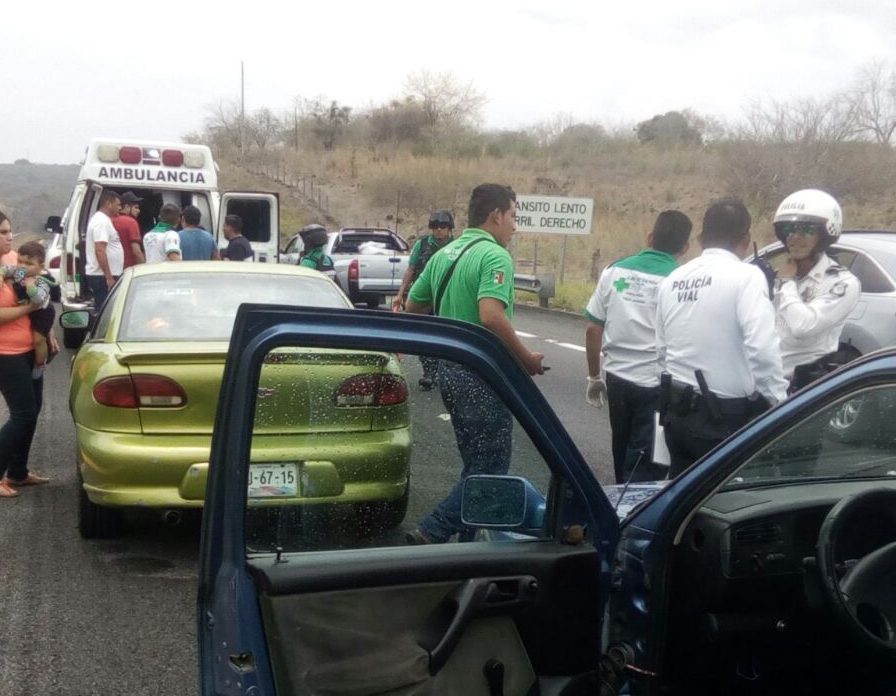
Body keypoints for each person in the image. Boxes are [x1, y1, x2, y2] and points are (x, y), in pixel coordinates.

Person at [403, 183, 545, 544]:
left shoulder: (445, 253)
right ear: (495, 215)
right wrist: (526, 359)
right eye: (514, 216)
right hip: (482, 375)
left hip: (450, 372)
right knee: (491, 469)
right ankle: (433, 529)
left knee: (475, 463)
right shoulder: (495, 256)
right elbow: (491, 316)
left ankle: (466, 546)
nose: (515, 225)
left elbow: (413, 307)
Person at [656, 197, 788, 477]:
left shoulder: (673, 280)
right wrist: (777, 401)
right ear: (746, 238)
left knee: (682, 497)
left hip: (676, 414)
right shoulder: (746, 276)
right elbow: (762, 348)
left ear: (703, 237)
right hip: (721, 418)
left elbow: (662, 351)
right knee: (726, 503)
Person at [584, 210, 692, 484]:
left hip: (617, 380)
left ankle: (619, 515)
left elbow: (593, 326)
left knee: (620, 456)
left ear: (650, 237)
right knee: (649, 467)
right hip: (657, 388)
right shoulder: (682, 281)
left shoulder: (615, 270)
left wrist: (594, 376)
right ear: (685, 247)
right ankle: (637, 519)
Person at [771, 189, 861, 392]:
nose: (795, 237)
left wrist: (786, 283)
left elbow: (803, 327)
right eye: (789, 230)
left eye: (807, 230)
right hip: (765, 383)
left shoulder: (842, 283)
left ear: (825, 233)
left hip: (804, 389)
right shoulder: (777, 277)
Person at [0, 211, 51, 497]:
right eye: (4, 232)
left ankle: (17, 472)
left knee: (32, 412)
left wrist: (47, 331)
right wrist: (29, 309)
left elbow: (33, 284)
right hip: (5, 354)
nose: (10, 237)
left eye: (10, 231)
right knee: (22, 414)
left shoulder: (10, 262)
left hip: (29, 349)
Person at [392, 209, 456, 390]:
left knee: (446, 335)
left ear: (449, 228)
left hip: (447, 297)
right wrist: (400, 294)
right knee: (425, 335)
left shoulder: (456, 246)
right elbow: (411, 270)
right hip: (424, 297)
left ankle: (445, 371)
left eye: (443, 226)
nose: (439, 230)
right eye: (435, 227)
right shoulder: (422, 245)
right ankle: (429, 372)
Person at [2, 241, 58, 380]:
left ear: (41, 267)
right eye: (20, 261)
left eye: (29, 264)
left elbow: (38, 300)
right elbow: (7, 269)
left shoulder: (42, 280)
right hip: (30, 309)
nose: (22, 266)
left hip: (43, 312)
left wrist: (31, 287)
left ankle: (40, 364)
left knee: (38, 340)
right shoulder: (19, 271)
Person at [85, 190, 123, 308]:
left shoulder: (104, 220)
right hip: (101, 276)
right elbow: (100, 250)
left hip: (104, 275)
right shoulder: (101, 222)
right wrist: (109, 277)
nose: (120, 208)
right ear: (108, 203)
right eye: (118, 205)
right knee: (106, 309)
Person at [113, 191, 145, 268]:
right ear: (127, 207)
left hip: (114, 268)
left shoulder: (110, 220)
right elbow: (136, 252)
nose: (138, 210)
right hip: (129, 269)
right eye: (136, 207)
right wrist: (143, 267)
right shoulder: (131, 222)